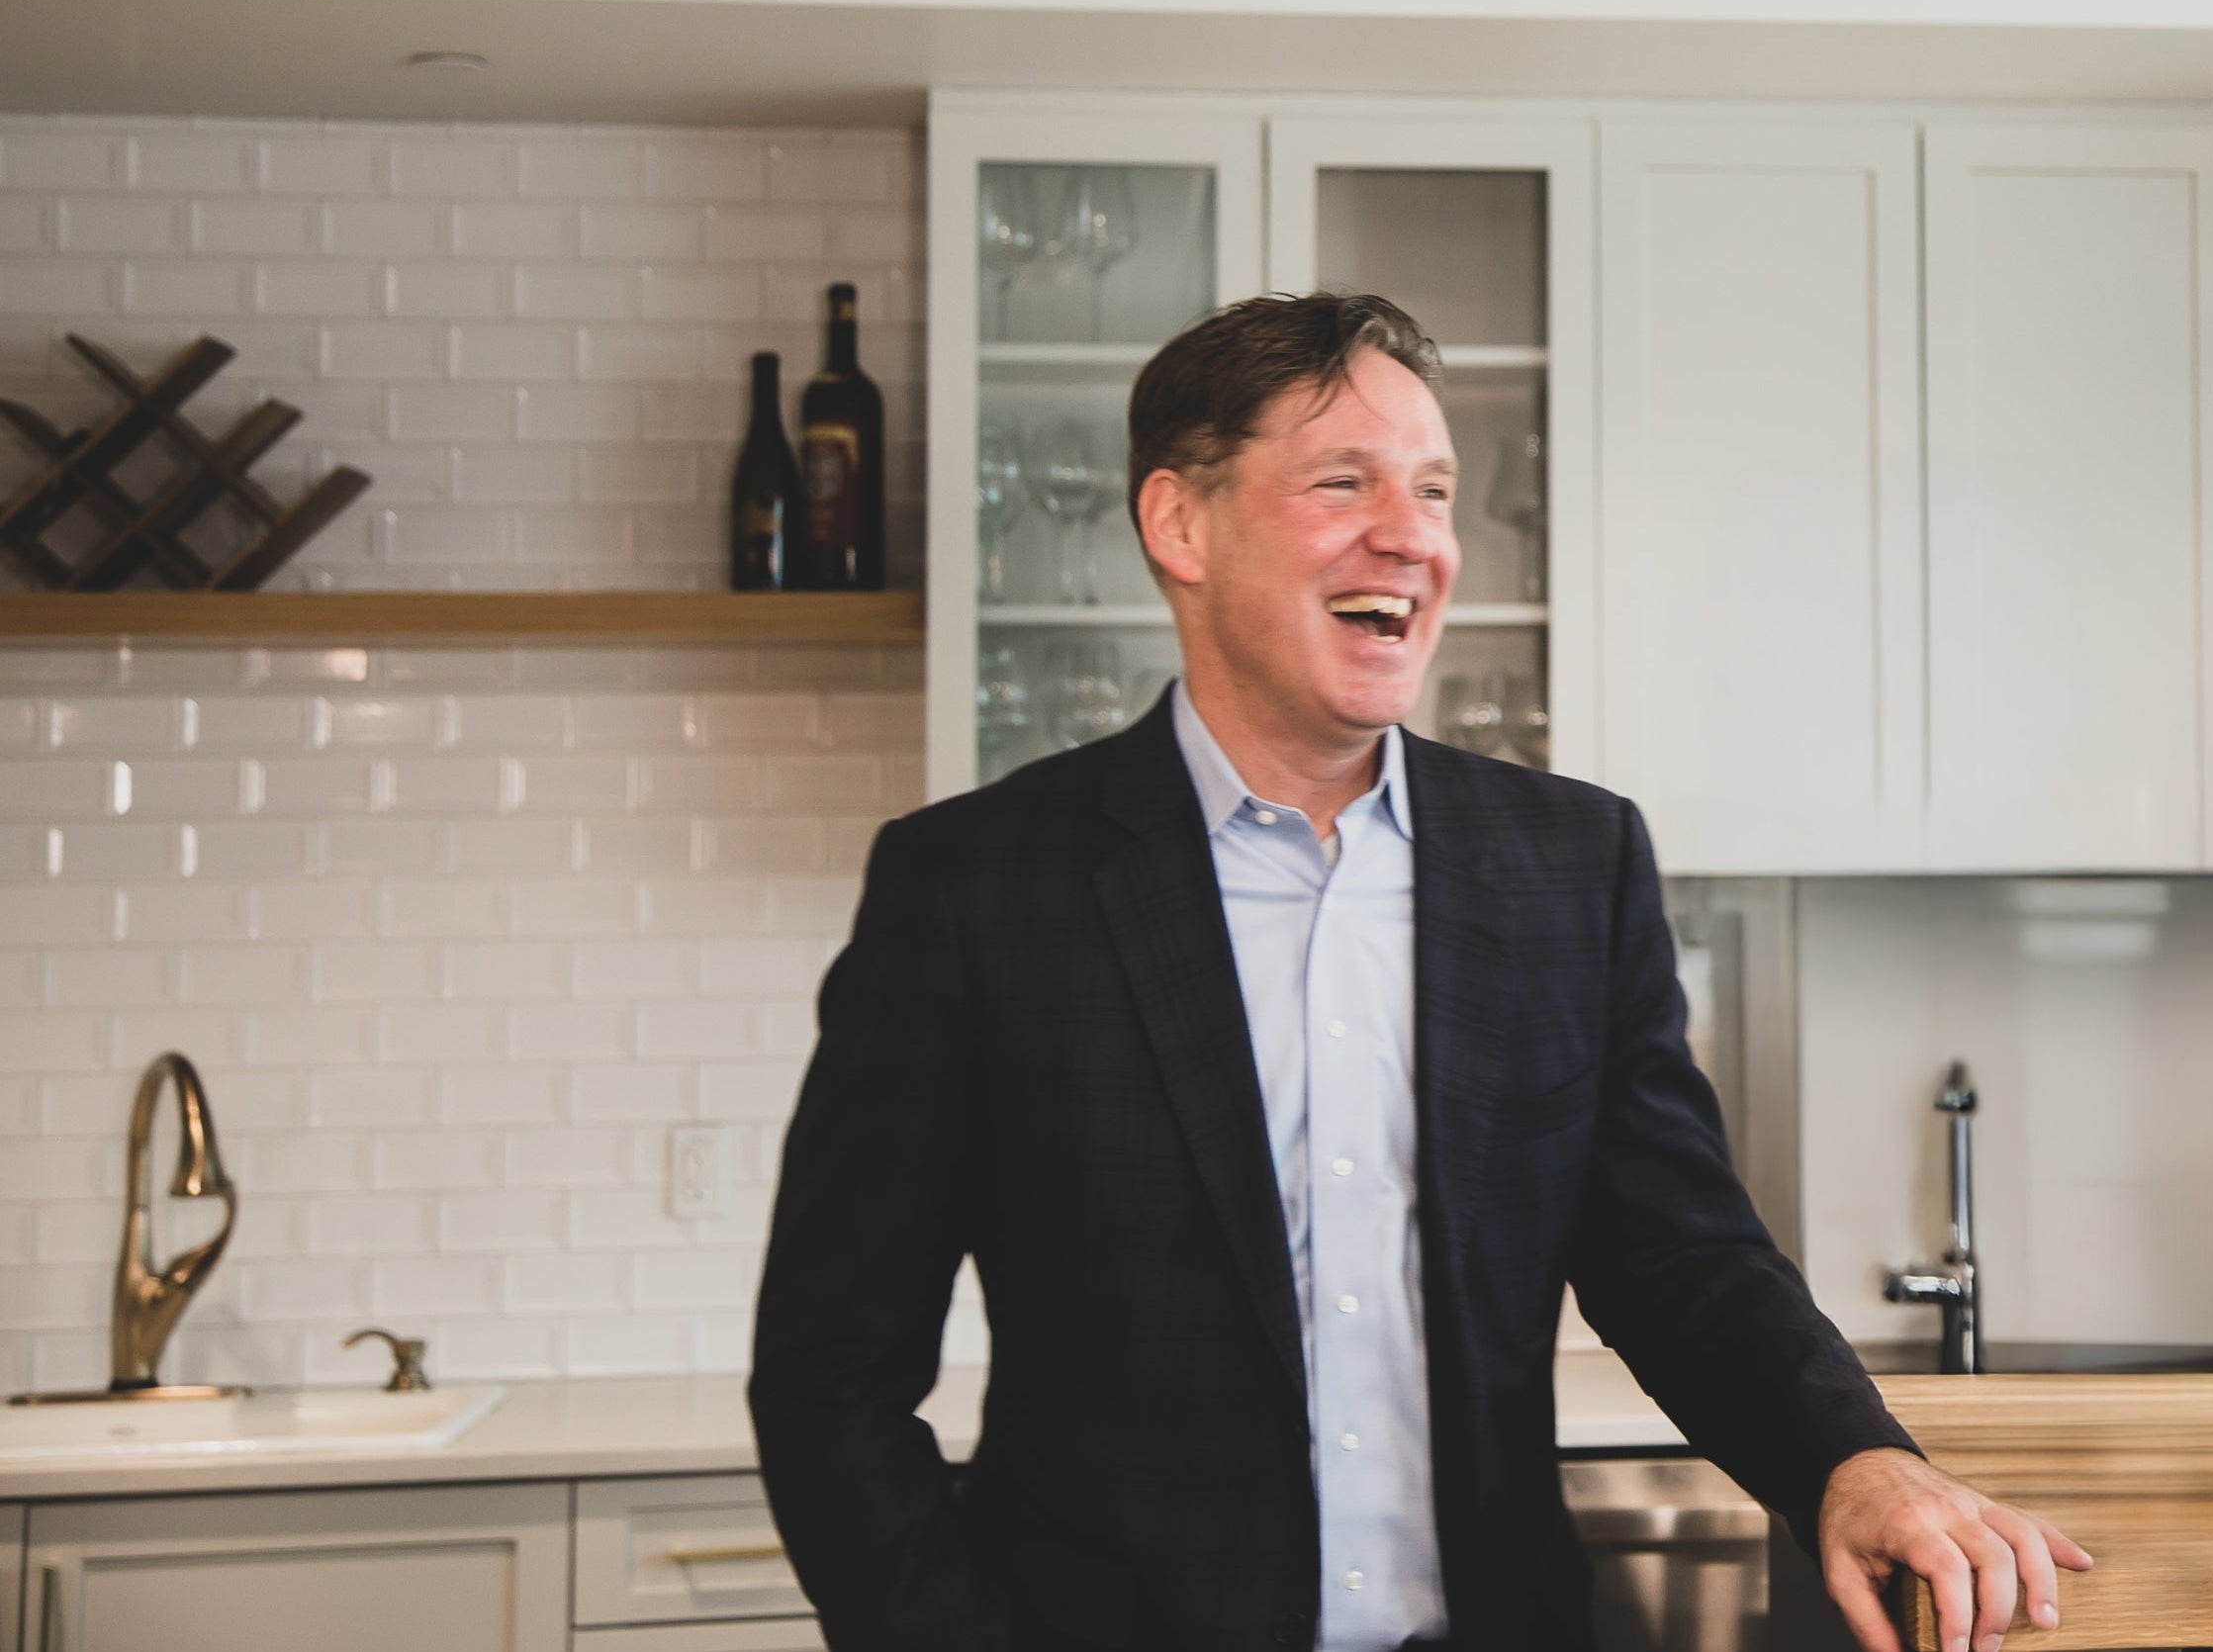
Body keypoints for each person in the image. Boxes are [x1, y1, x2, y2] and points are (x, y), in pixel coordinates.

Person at [751, 292, 2085, 1652]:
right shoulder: (974, 888)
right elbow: (829, 1374)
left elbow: (1680, 1255)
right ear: (1180, 524)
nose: (1414, 536)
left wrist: (1854, 1461)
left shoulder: (1572, 865)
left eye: (1434, 490)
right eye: (1344, 483)